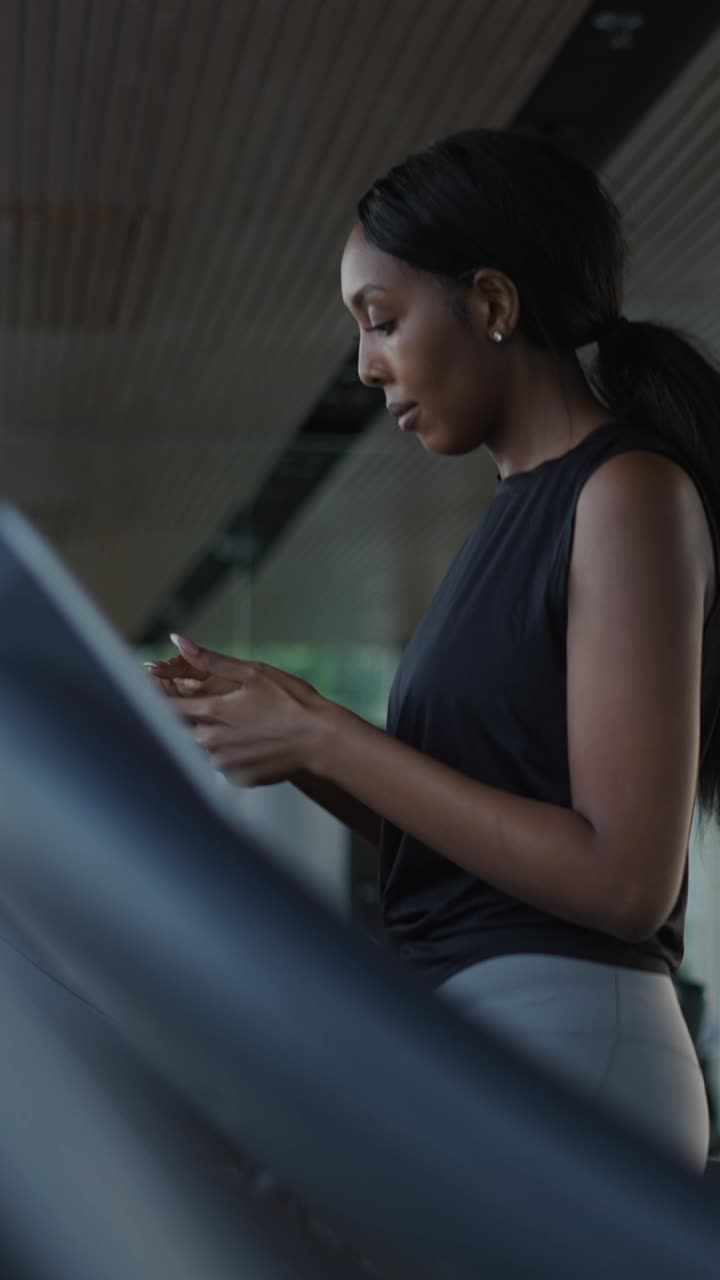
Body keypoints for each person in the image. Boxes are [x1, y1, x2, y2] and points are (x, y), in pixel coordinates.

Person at [147, 129, 720, 1173]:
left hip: (574, 1046)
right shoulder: (516, 516)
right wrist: (299, 728)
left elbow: (628, 876)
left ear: (494, 304)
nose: (367, 364)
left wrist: (324, 731)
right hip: (501, 1037)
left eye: (383, 320)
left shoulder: (627, 494)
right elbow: (467, 835)